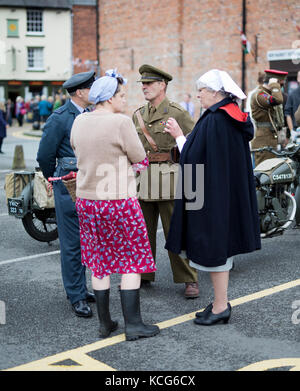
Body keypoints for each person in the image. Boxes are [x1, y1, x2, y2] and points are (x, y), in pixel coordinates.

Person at [164, 69, 261, 326]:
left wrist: (178, 137)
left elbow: (195, 157)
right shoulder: (226, 115)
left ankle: (220, 307)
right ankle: (219, 302)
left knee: (218, 250)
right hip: (222, 193)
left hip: (214, 196)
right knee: (222, 249)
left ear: (217, 93)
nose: (198, 95)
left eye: (202, 90)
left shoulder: (217, 119)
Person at [70, 69, 159, 341]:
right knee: (131, 260)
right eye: (121, 95)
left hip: (87, 201)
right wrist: (137, 165)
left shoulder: (79, 122)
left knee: (99, 263)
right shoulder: (120, 123)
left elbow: (77, 151)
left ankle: (105, 323)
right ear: (108, 98)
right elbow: (139, 157)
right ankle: (133, 326)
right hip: (119, 201)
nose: (123, 99)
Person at [132, 64, 199, 299]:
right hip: (144, 179)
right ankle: (142, 274)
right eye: (142, 84)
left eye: (149, 83)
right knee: (142, 232)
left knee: (175, 231)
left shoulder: (177, 112)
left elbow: (193, 146)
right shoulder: (138, 114)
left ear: (162, 85)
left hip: (170, 179)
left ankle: (189, 278)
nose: (144, 87)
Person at [37, 71, 96, 318]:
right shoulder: (60, 117)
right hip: (68, 183)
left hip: (90, 181)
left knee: (86, 241)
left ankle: (81, 287)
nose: (94, 92)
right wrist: (55, 178)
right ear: (80, 92)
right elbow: (45, 155)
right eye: (90, 88)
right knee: (72, 243)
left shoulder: (90, 115)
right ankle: (76, 295)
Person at [251, 69, 288, 166]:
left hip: (270, 141)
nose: (281, 88)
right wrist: (274, 85)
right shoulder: (260, 94)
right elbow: (278, 99)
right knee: (264, 174)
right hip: (264, 143)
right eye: (280, 84)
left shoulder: (266, 93)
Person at [285, 71, 300, 141]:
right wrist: (292, 131)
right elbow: (287, 114)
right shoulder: (292, 94)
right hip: (297, 131)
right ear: (298, 79)